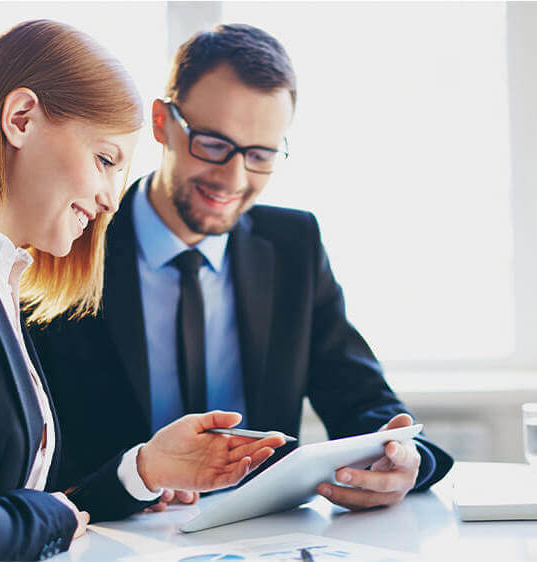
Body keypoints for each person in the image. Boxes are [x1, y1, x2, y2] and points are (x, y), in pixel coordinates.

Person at [0, 20, 286, 561]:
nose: (110, 202)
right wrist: (52, 514)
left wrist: (143, 470)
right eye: (104, 160)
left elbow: (15, 504)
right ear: (20, 118)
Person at [30, 23, 454, 514]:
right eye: (212, 143)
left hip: (262, 533)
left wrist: (406, 460)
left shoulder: (293, 245)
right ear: (163, 123)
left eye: (260, 155)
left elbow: (362, 399)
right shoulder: (72, 238)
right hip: (111, 533)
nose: (233, 178)